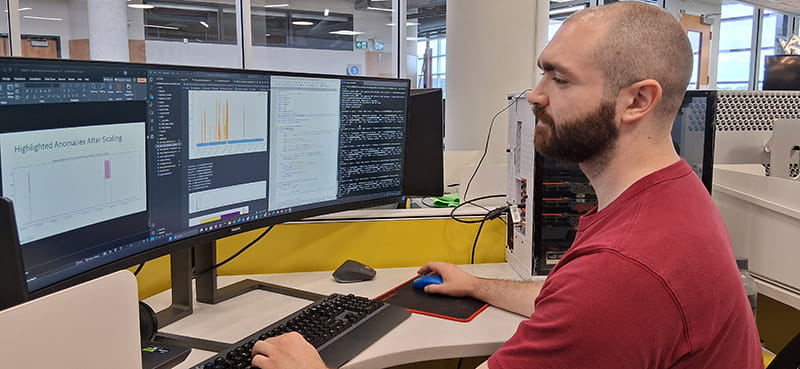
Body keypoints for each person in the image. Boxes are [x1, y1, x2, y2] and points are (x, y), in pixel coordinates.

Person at [251, 2, 764, 369]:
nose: (534, 96)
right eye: (541, 74)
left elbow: (599, 298)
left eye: (559, 80)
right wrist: (477, 286)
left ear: (636, 102)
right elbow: (571, 301)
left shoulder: (624, 270)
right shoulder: (671, 196)